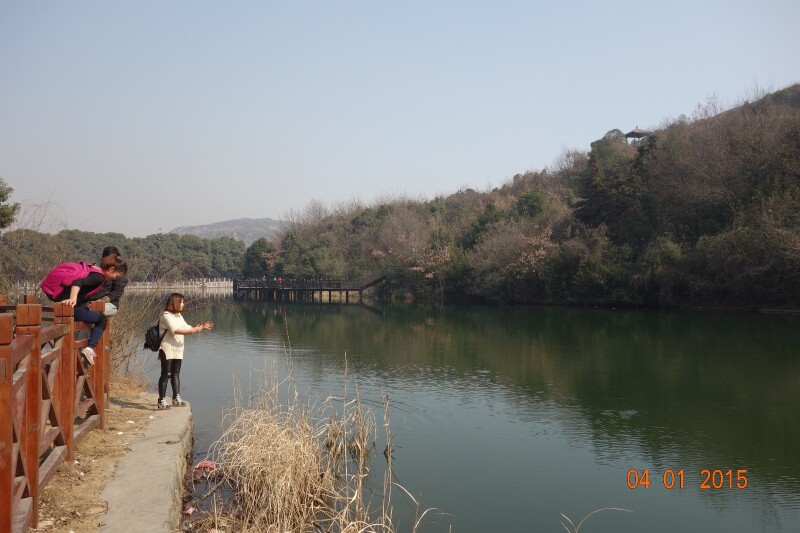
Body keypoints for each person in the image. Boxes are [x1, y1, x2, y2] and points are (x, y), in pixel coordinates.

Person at [56, 254, 128, 366]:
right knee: (102, 319)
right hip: (75, 309)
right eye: (116, 276)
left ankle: (72, 362)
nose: (114, 279)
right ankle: (89, 348)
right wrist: (73, 298)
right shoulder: (99, 277)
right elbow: (77, 283)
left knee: (92, 319)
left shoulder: (93, 270)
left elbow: (83, 290)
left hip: (67, 307)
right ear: (111, 269)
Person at [157, 292, 214, 410]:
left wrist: (201, 327)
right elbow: (176, 330)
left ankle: (176, 398)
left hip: (178, 349)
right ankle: (161, 400)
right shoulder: (166, 316)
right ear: (175, 302)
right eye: (181, 302)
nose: (183, 304)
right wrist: (193, 331)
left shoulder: (178, 316)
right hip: (167, 349)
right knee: (165, 374)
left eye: (183, 302)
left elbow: (186, 327)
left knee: (176, 374)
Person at [90, 245, 129, 316]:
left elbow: (117, 291)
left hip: (109, 303)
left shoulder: (118, 272)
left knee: (95, 311)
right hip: (91, 300)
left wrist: (102, 300)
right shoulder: (96, 268)